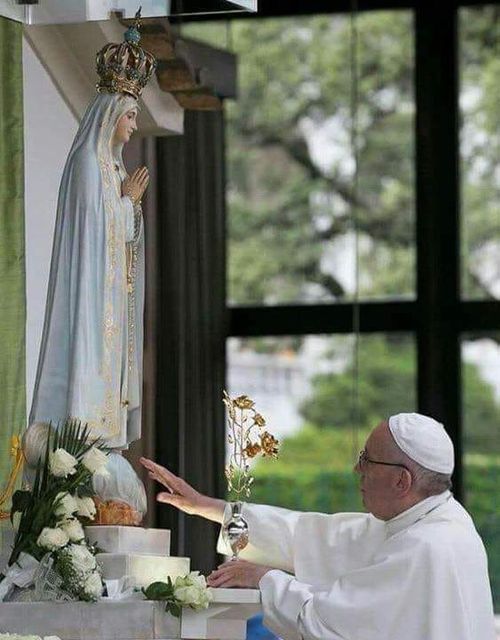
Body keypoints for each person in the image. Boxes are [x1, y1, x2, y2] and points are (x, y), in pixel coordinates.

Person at [141, 413, 496, 640]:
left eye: (366, 460)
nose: (358, 470)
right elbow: (312, 536)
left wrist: (264, 578)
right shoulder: (431, 519)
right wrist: (207, 506)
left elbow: (328, 624)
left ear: (401, 482)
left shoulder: (426, 546)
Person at [29, 15, 155, 449]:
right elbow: (90, 235)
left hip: (110, 302)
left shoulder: (114, 165)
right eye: (131, 116)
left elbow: (123, 238)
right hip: (90, 297)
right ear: (113, 115)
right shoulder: (87, 162)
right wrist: (127, 203)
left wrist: (129, 208)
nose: (134, 125)